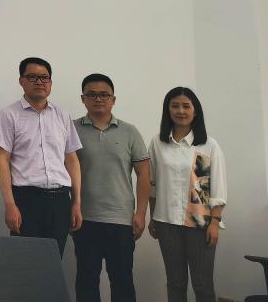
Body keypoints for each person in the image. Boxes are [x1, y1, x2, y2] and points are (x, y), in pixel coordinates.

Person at [0, 57, 83, 257]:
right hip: (27, 200)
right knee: (25, 263)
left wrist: (76, 203)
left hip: (60, 201)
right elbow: (2, 161)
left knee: (53, 261)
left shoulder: (62, 115)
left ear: (50, 82)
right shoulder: (9, 114)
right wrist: (10, 204)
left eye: (44, 77)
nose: (39, 82)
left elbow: (71, 160)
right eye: (32, 77)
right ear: (21, 81)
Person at [72, 73, 150, 302]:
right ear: (83, 98)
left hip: (121, 220)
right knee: (86, 280)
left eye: (104, 95)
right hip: (85, 219)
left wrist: (141, 213)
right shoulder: (71, 130)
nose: (98, 99)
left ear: (113, 100)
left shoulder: (130, 132)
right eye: (92, 94)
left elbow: (144, 174)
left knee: (122, 280)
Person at [148, 87, 226, 302]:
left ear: (195, 110)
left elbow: (218, 187)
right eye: (175, 106)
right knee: (175, 282)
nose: (180, 111)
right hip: (166, 222)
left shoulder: (207, 144)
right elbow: (152, 185)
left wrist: (214, 222)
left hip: (200, 222)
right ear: (167, 110)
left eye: (186, 106)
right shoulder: (157, 143)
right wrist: (152, 217)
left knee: (203, 285)